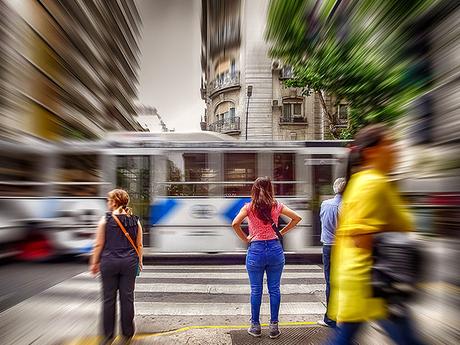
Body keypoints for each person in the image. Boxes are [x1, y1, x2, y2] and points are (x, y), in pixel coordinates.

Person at [328, 124, 426, 345]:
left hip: (364, 281)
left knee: (344, 338)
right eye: (389, 143)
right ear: (372, 151)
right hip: (374, 283)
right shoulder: (372, 182)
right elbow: (361, 237)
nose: (396, 148)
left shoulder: (364, 181)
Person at [232, 177, 302, 339]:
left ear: (254, 190)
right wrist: (281, 233)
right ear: (270, 189)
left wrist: (246, 238)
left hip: (256, 250)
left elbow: (235, 224)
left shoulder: (249, 207)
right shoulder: (277, 206)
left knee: (256, 290)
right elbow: (297, 218)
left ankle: (255, 327)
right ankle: (274, 327)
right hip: (275, 249)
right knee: (274, 289)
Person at [90, 189, 143, 345]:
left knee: (108, 299)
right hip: (129, 263)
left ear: (114, 202)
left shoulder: (105, 220)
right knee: (127, 298)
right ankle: (127, 333)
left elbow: (98, 244)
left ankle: (108, 336)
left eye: (108, 200)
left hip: (109, 262)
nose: (107, 202)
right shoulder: (135, 220)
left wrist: (94, 262)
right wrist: (140, 261)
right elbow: (139, 244)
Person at [317, 177, 346, 328]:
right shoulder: (348, 206)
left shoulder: (325, 204)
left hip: (328, 247)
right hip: (344, 248)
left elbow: (323, 222)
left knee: (330, 282)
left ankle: (330, 318)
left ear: (335, 189)